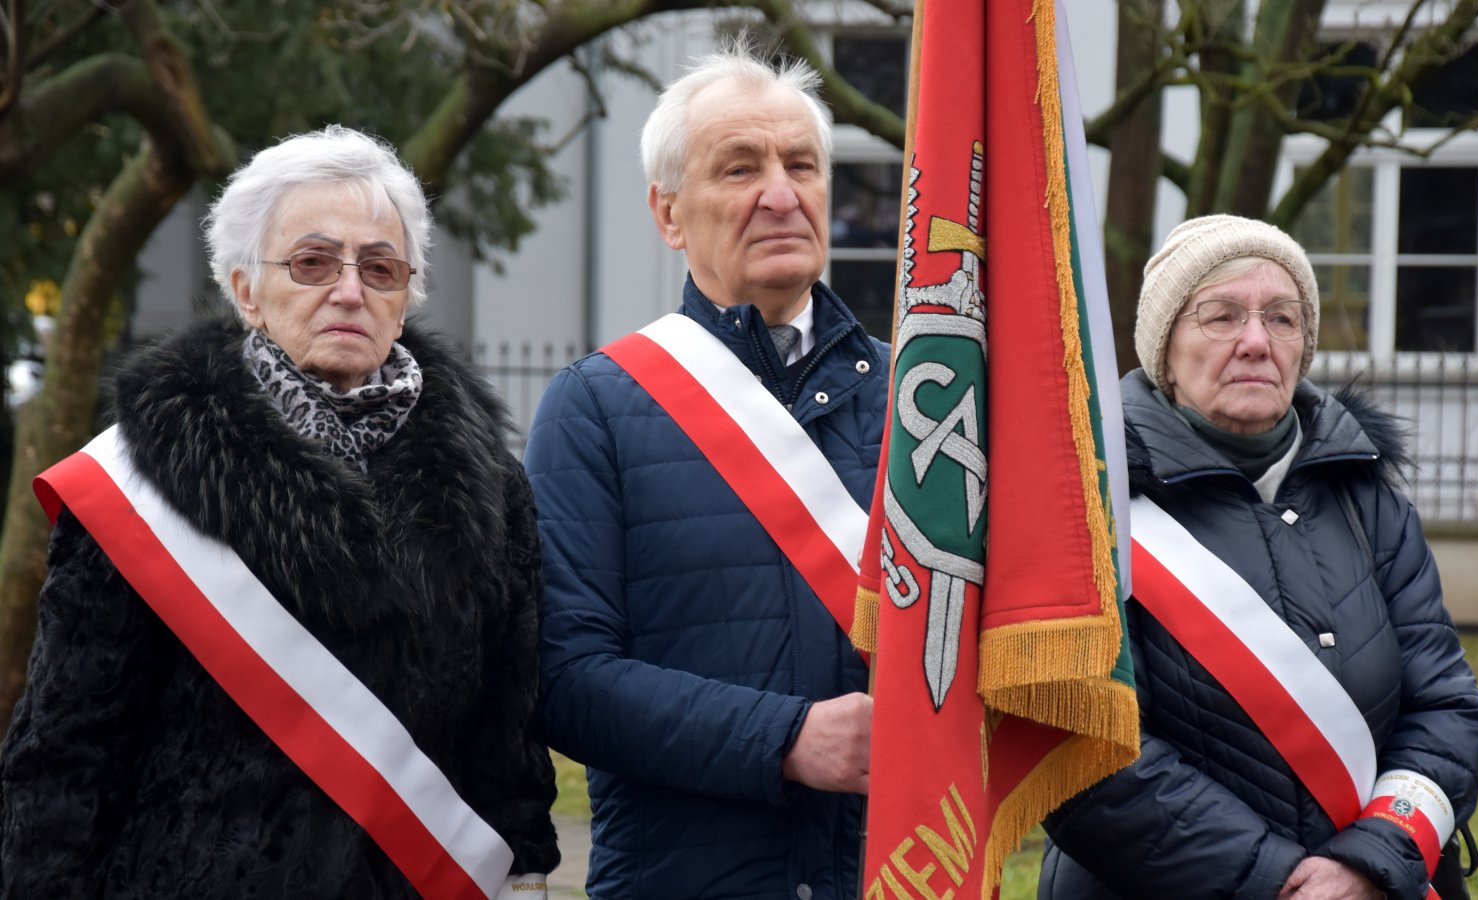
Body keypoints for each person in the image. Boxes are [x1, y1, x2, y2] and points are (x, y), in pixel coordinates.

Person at [0, 125, 559, 897]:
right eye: (312, 262)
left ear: (407, 295)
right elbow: (63, 755)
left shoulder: (492, 489)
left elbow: (508, 739)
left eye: (381, 267)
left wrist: (522, 872)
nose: (350, 289)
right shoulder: (140, 482)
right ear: (245, 291)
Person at [1037, 215, 1478, 900]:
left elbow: (1447, 709)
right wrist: (1278, 884)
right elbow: (1083, 749)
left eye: (1281, 318)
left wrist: (1372, 860)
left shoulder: (1364, 497)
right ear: (1164, 347)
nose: (1256, 341)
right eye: (1220, 316)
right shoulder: (1087, 502)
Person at [525, 43, 887, 900]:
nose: (780, 193)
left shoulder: (926, 412)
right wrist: (786, 740)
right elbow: (563, 679)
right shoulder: (595, 409)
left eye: (802, 164)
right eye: (739, 168)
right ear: (668, 213)